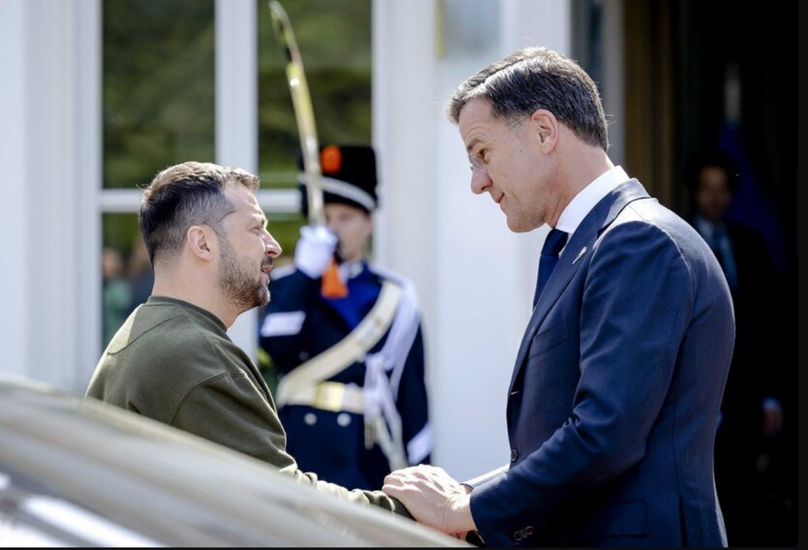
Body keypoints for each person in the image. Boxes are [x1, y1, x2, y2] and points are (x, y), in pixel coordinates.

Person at [382, 46, 735, 547]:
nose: (477, 183)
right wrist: (469, 497)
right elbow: (561, 440)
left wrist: (463, 509)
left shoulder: (637, 241)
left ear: (544, 131)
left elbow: (603, 436)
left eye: (482, 153)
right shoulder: (598, 242)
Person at [86, 161, 411, 516]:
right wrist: (410, 512)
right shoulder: (192, 356)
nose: (272, 247)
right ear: (203, 243)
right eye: (257, 229)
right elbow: (286, 507)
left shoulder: (153, 329)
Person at [258, 144, 431, 491]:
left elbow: (410, 392)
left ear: (369, 222)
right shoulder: (288, 285)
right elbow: (274, 347)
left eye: (346, 218)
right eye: (325, 218)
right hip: (297, 451)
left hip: (363, 453)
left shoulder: (394, 294)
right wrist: (306, 275)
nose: (334, 230)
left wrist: (422, 472)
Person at [684, 148, 792, 545]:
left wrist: (771, 397)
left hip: (747, 394)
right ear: (694, 192)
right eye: (706, 189)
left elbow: (771, 328)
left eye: (722, 189)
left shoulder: (752, 245)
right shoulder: (678, 241)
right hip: (699, 396)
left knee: (747, 498)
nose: (714, 198)